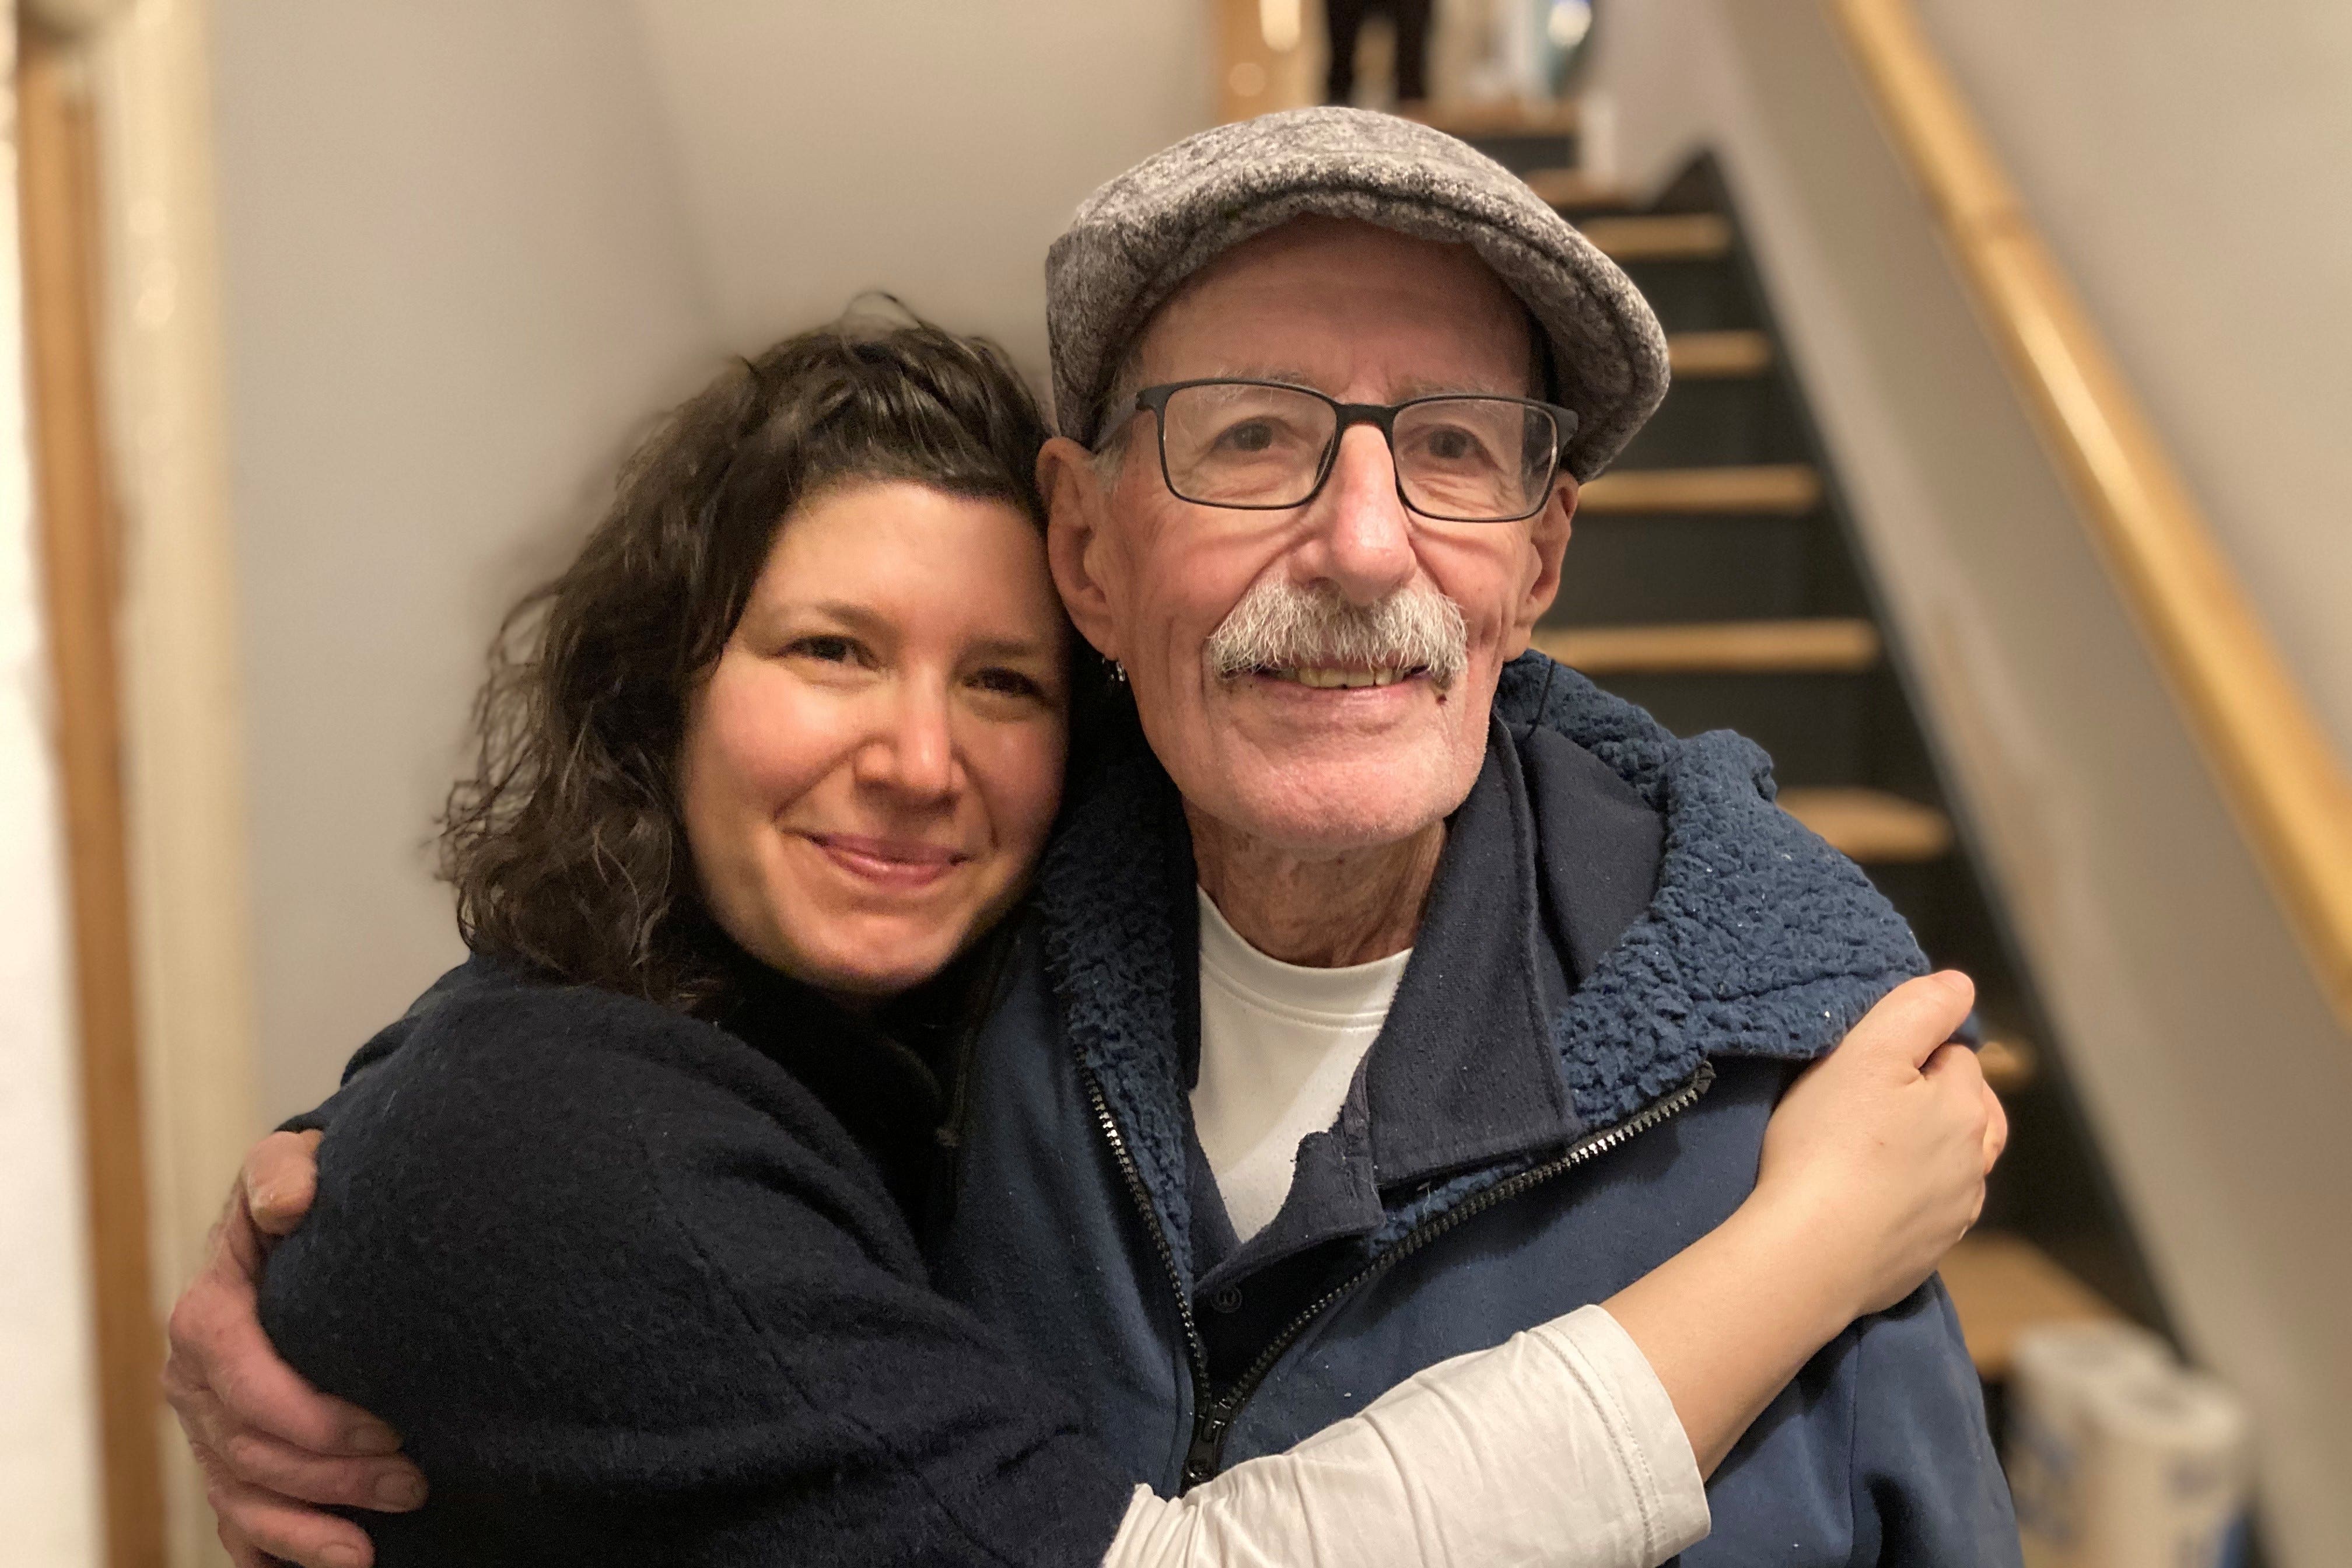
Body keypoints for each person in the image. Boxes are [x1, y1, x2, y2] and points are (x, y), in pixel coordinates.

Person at [168, 111, 2016, 1566]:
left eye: (1453, 448)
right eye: (1250, 434)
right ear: (1095, 556)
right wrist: (342, 1202)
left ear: (1536, 559)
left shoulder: (1808, 1099)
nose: (1365, 546)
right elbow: (615, 1075)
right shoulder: (984, 944)